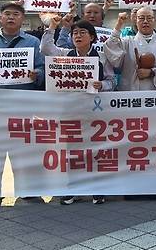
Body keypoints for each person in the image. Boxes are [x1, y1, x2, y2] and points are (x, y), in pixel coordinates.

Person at [0, 2, 45, 204]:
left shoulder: (33, 42)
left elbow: (43, 68)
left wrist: (37, 74)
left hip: (23, 104)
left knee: (23, 149)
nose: (11, 17)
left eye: (16, 14)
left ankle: (27, 189)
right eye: (7, 14)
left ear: (22, 19)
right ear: (0, 18)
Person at [41, 17, 116, 205]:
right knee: (72, 151)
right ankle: (73, 188)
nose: (78, 36)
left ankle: (98, 189)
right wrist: (52, 26)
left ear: (92, 37)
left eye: (83, 33)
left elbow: (112, 81)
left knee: (97, 151)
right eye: (75, 33)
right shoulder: (65, 54)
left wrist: (102, 85)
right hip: (70, 111)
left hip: (95, 112)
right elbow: (46, 48)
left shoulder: (101, 57)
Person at [104, 6, 156, 91]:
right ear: (136, 21)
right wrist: (119, 25)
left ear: (155, 20)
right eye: (141, 18)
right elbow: (110, 47)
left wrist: (152, 72)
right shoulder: (127, 42)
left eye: (149, 18)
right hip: (130, 93)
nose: (145, 21)